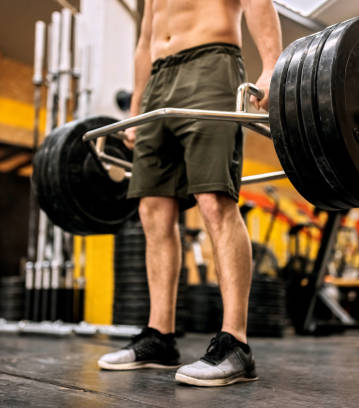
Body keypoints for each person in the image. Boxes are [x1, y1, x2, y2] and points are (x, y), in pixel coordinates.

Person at [98, 0, 282, 387]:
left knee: (214, 201)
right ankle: (159, 337)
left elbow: (255, 1)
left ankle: (236, 344)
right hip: (158, 80)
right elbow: (146, 41)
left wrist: (271, 65)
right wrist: (135, 106)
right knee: (152, 210)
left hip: (211, 63)